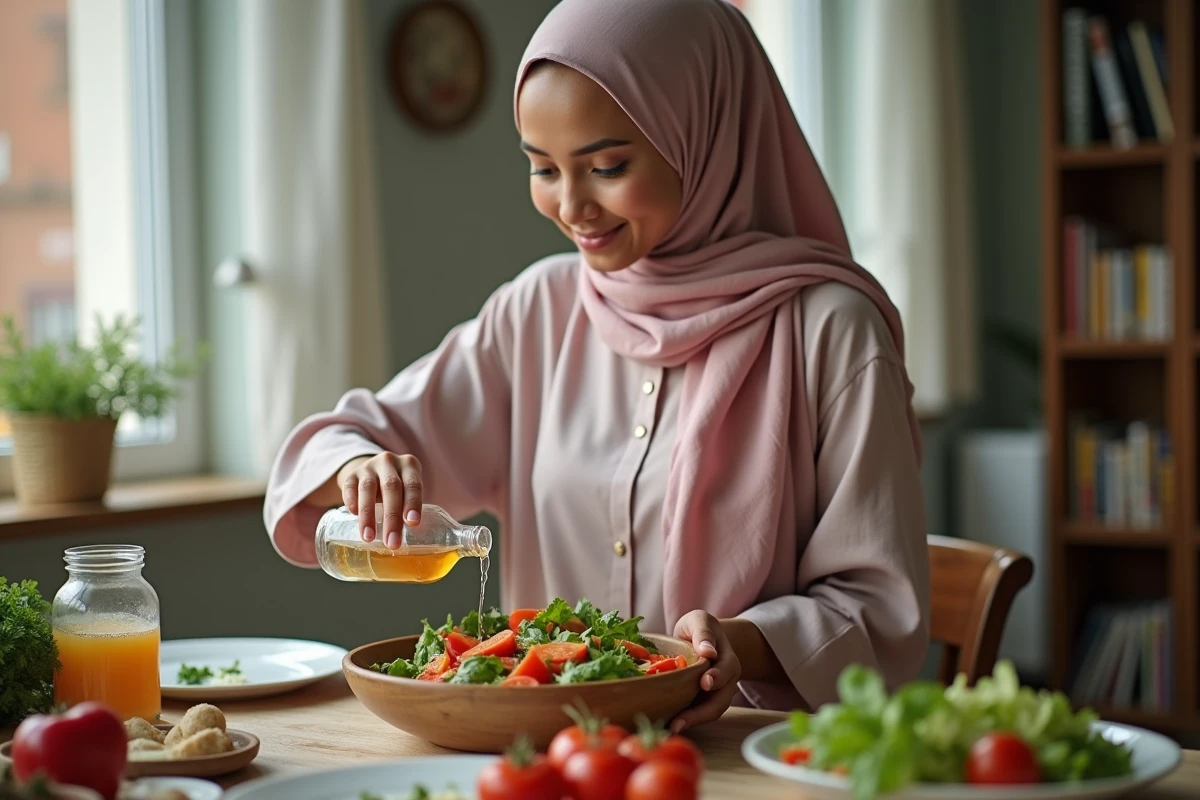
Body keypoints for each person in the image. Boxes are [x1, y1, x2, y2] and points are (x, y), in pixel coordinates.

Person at [264, 0, 929, 732]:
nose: (572, 205)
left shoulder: (832, 332)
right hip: (541, 758)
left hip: (738, 757)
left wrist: (742, 642)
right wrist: (357, 465)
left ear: (704, 134)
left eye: (608, 166)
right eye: (543, 168)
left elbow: (876, 612)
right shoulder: (538, 311)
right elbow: (352, 431)